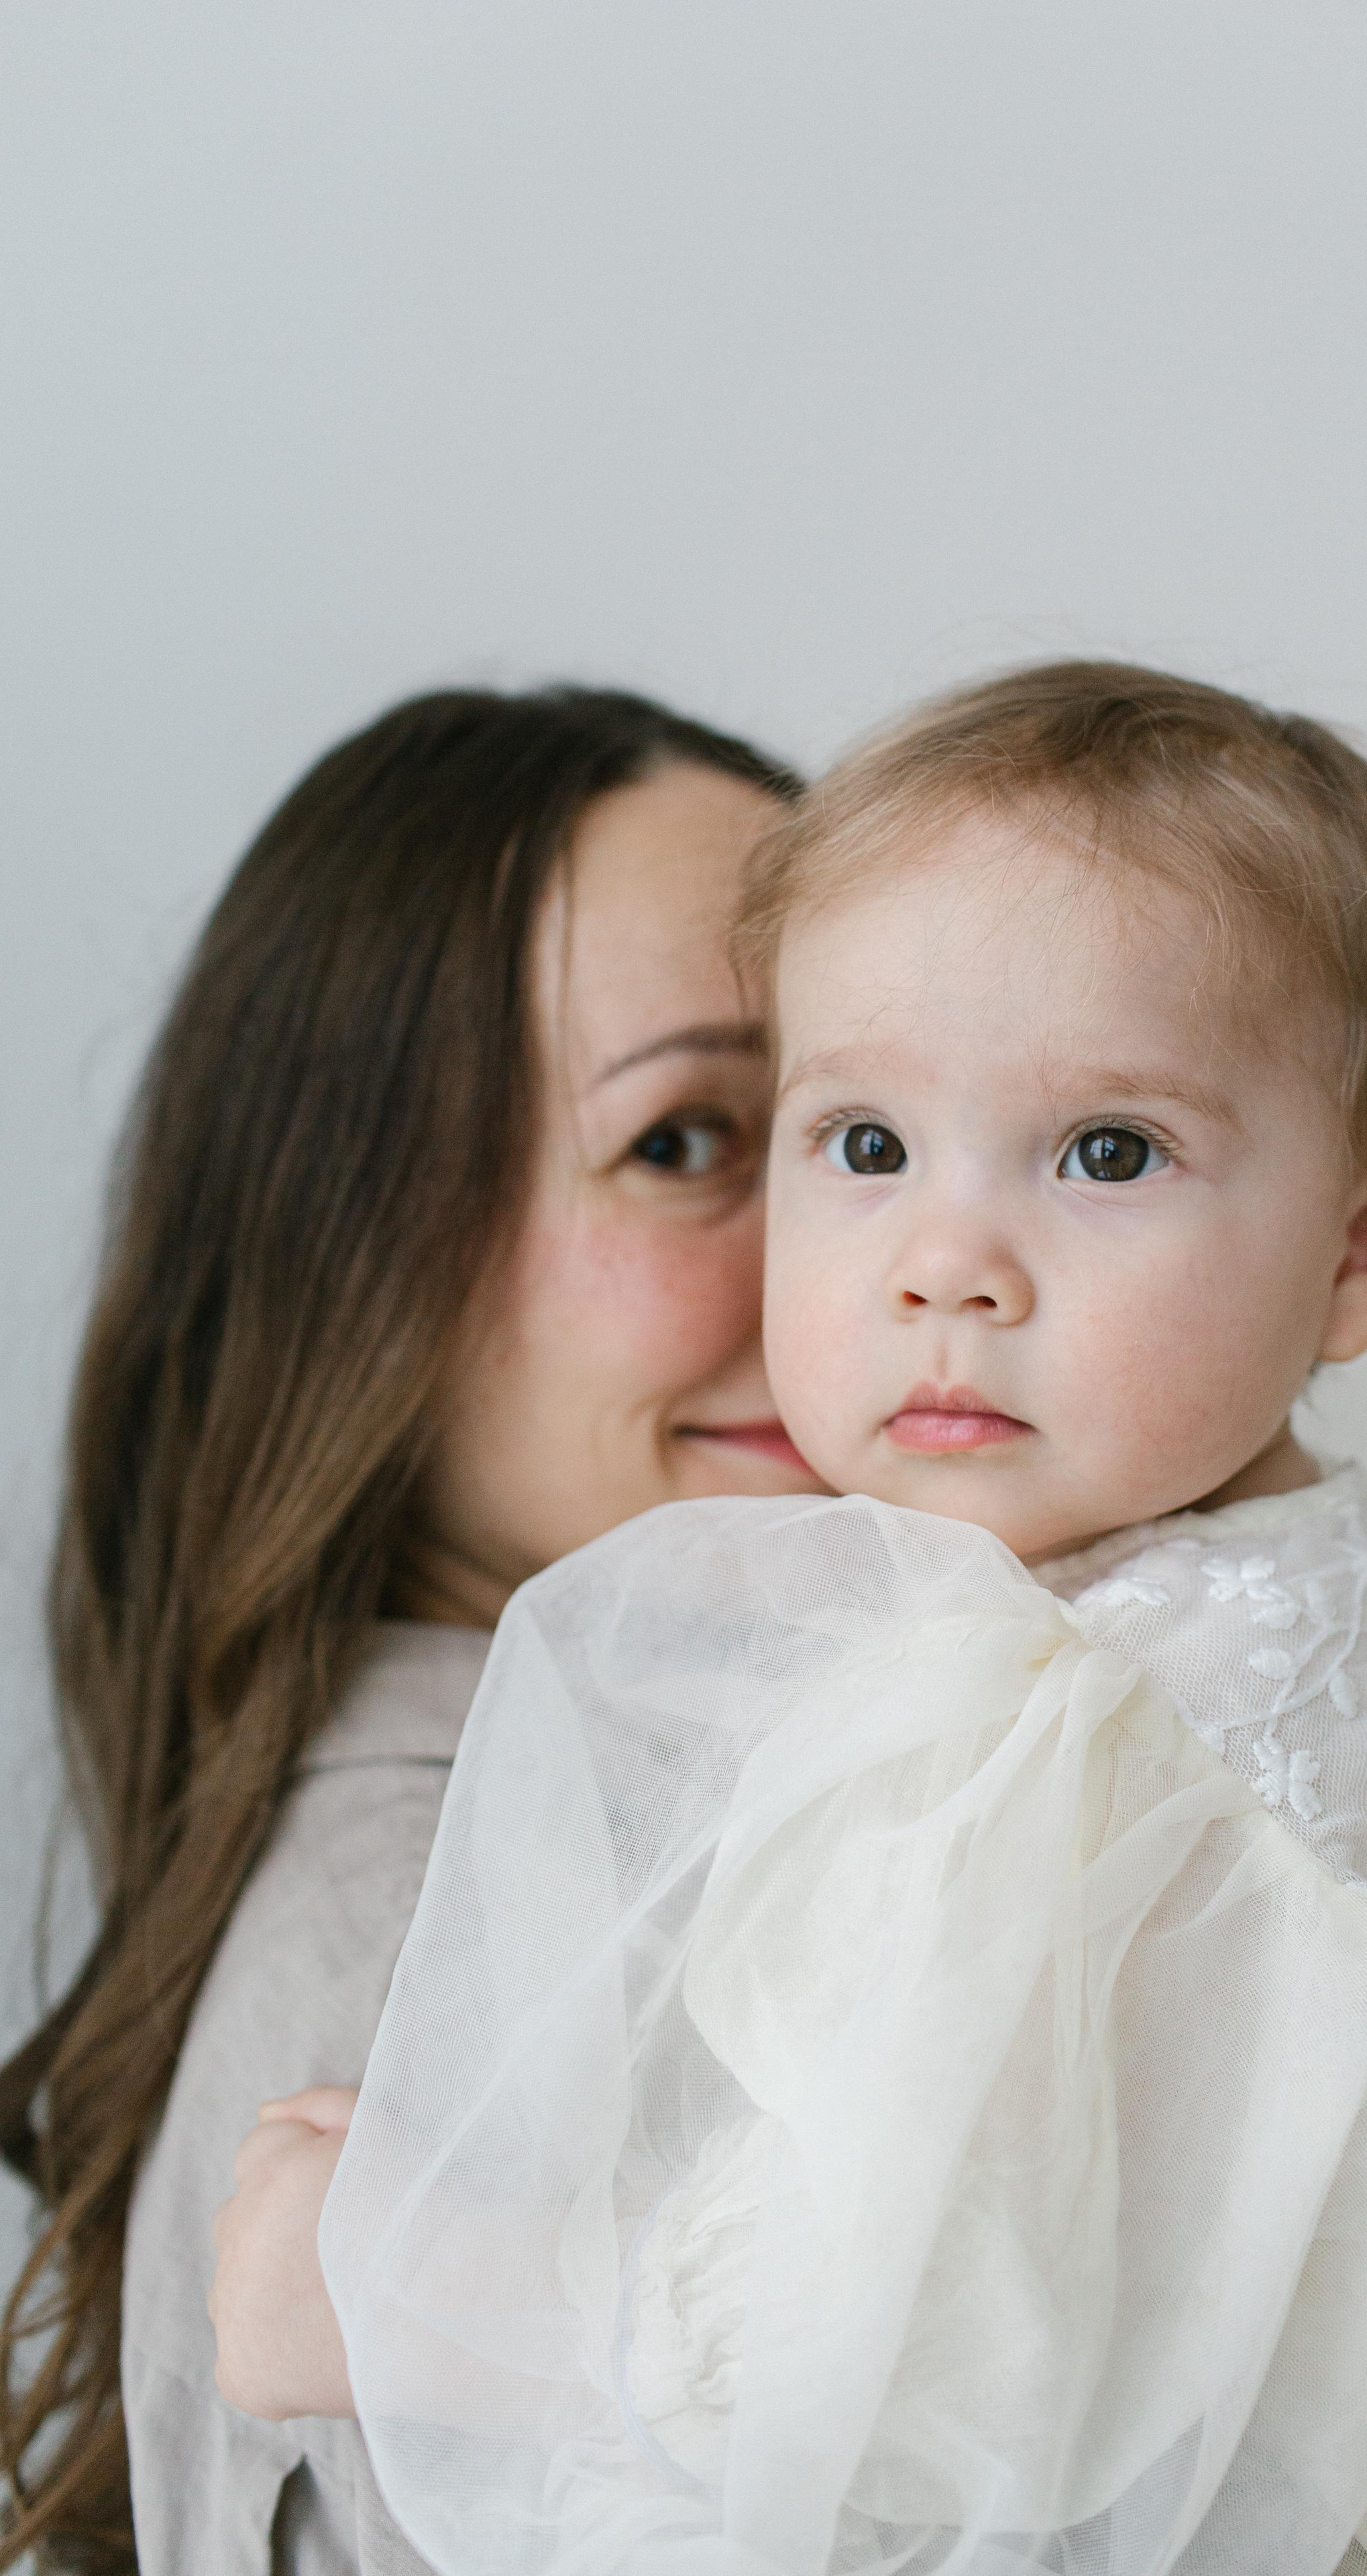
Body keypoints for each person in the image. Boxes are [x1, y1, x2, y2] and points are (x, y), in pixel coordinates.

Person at [221, 666, 1367, 2575]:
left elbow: (963, 2350)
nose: (946, 1268)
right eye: (859, 1146)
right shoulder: (1314, 1590)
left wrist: (401, 2300)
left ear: (1365, 1246)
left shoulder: (1105, 1730)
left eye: (1106, 1152)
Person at [0, 682, 826, 2575]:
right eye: (690, 1138)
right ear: (358, 1255)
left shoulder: (715, 1817)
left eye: (865, 1123)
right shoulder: (463, 1945)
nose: (878, 1250)